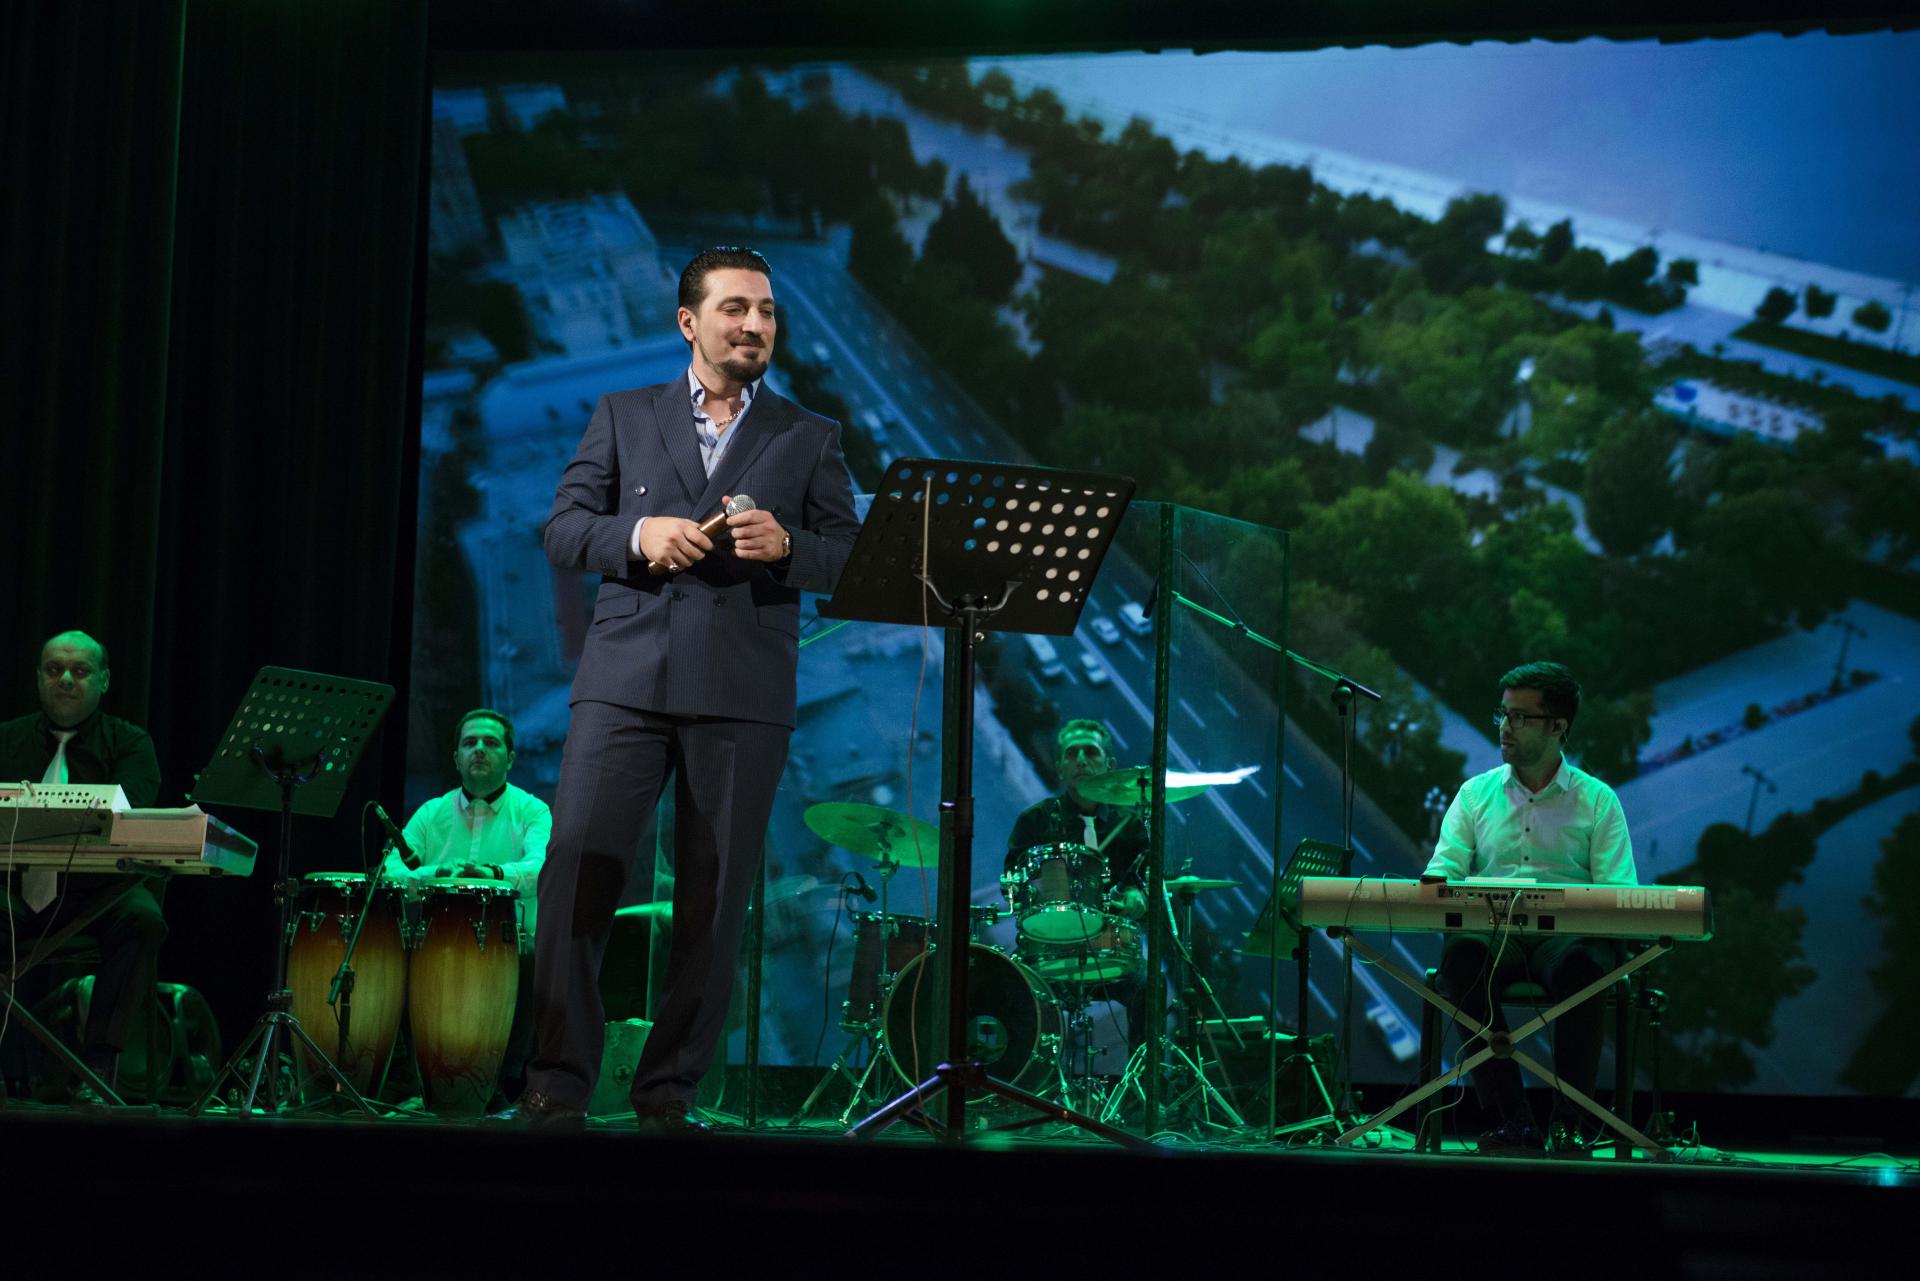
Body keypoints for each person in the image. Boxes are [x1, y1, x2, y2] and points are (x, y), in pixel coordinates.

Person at [503, 246, 858, 1132]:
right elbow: (563, 529)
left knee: (714, 901)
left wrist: (791, 549)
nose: (755, 325)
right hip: (624, 682)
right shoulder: (623, 415)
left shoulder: (808, 435)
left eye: (767, 312)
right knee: (578, 871)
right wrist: (639, 534)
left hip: (742, 691)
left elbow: (854, 560)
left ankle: (668, 1094)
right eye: (736, 308)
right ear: (688, 322)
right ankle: (557, 1084)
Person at [1424, 661, 1636, 1156]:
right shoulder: (1475, 794)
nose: (1505, 727)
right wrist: (1437, 884)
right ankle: (1512, 1119)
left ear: (1559, 727)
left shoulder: (1598, 800)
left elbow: (1617, 893)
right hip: (1491, 931)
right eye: (1502, 714)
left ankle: (1570, 1122)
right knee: (1461, 964)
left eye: (1520, 717)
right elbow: (1443, 871)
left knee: (1585, 967)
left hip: (1565, 938)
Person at [0, 630, 164, 1104]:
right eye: (54, 670)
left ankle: (99, 1061)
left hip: (95, 895)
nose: (66, 679)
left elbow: (127, 818)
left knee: (143, 917)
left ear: (104, 680)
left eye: (80, 670)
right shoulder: (6, 739)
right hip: (11, 893)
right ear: (38, 679)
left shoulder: (131, 743)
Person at [383, 708, 549, 1105]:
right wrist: (437, 872)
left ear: (510, 757)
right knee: (391, 952)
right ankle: (413, 1080)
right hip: (435, 942)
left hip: (510, 942)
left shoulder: (532, 811)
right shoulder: (430, 814)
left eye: (491, 743)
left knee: (531, 959)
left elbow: (544, 869)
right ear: (455, 757)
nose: (479, 749)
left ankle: (506, 1086)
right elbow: (387, 873)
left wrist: (489, 873)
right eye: (469, 742)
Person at [1004, 719, 1153, 1054]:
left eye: (1091, 752)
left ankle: (1139, 1090)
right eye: (1072, 754)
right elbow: (1012, 887)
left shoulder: (1129, 827)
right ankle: (1029, 1086)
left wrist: (1136, 896)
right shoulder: (1034, 821)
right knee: (1011, 991)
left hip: (1109, 951)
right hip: (1047, 952)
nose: (1081, 760)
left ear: (1110, 765)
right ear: (1059, 766)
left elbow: (1142, 885)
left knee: (1149, 987)